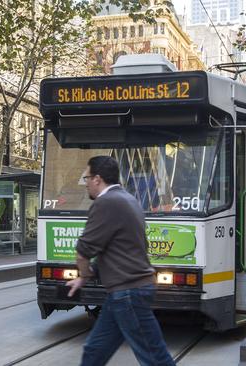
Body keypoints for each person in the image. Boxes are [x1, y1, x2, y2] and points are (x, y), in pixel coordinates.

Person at [66, 156, 174, 366]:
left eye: (86, 177)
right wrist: (85, 278)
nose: (85, 182)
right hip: (125, 292)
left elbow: (83, 252)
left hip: (128, 293)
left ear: (97, 179)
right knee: (94, 351)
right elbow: (118, 250)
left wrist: (84, 273)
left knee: (155, 358)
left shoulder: (105, 203)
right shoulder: (128, 199)